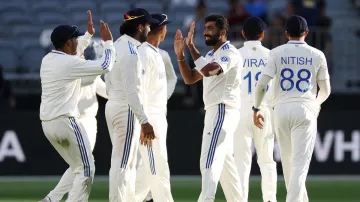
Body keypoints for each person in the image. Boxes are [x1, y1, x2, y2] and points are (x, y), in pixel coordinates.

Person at [253, 15, 331, 202]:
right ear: (307, 32)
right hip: (304, 109)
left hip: (280, 110)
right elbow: (326, 90)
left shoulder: (276, 53)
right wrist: (315, 105)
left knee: (289, 165)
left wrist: (256, 108)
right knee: (299, 165)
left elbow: (262, 84)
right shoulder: (317, 54)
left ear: (286, 33)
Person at [39, 10, 115, 202]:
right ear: (68, 43)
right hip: (67, 121)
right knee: (87, 168)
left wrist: (88, 35)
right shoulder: (71, 64)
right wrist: (108, 43)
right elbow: (106, 65)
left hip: (48, 125)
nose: (77, 41)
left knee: (78, 167)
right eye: (75, 38)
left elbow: (76, 51)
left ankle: (51, 200)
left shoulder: (47, 60)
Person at [174, 15, 244, 202]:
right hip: (216, 111)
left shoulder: (230, 52)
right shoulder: (211, 55)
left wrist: (191, 47)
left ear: (223, 32)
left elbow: (210, 71)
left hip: (222, 110)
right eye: (205, 28)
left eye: (210, 28)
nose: (205, 32)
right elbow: (190, 78)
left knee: (209, 161)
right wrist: (181, 56)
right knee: (226, 166)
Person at [104, 8, 158, 202]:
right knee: (123, 162)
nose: (150, 29)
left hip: (114, 105)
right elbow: (132, 91)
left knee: (126, 161)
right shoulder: (131, 52)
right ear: (140, 27)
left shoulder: (116, 46)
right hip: (126, 109)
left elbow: (107, 80)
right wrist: (144, 121)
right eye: (148, 25)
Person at [235, 16, 277, 202]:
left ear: (243, 33)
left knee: (241, 162)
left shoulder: (235, 55)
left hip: (240, 111)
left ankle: (240, 199)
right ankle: (269, 199)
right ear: (262, 34)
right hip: (264, 110)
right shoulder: (271, 55)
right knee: (267, 160)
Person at [135, 13, 175, 202]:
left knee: (149, 171)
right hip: (150, 120)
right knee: (158, 168)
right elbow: (138, 90)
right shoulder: (143, 53)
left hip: (158, 118)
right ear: (162, 30)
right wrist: (144, 122)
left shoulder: (156, 53)